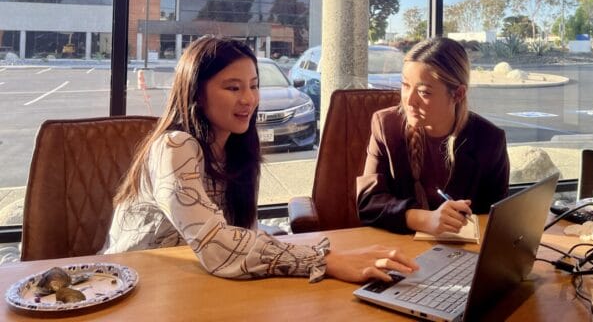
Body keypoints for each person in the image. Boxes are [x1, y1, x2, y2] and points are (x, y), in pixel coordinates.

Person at [102, 36, 417, 283]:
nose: (248, 99)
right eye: (233, 87)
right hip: (135, 287)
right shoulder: (175, 146)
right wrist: (323, 260)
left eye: (254, 86)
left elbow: (245, 235)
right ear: (197, 93)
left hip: (198, 284)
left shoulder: (238, 149)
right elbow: (216, 245)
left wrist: (332, 253)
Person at [356, 37, 510, 235]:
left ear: (458, 94)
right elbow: (368, 202)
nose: (409, 100)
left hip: (461, 253)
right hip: (398, 247)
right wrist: (424, 219)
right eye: (405, 85)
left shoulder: (489, 139)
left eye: (423, 92)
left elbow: (497, 215)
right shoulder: (386, 126)